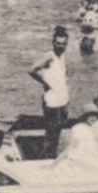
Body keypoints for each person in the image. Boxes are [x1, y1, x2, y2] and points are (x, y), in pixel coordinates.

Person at [28, 27, 71, 158]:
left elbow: (62, 77)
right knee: (51, 131)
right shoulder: (49, 56)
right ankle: (47, 157)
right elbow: (32, 70)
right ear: (53, 43)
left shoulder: (62, 56)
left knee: (58, 129)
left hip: (61, 98)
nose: (60, 46)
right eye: (58, 43)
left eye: (63, 44)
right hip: (51, 100)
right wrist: (45, 83)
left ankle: (52, 155)